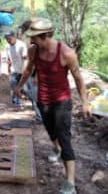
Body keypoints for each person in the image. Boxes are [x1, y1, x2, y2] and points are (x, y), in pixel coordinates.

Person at [13, 18, 91, 194]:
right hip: (43, 99)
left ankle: (70, 183)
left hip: (62, 100)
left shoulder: (67, 54)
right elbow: (27, 70)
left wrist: (85, 102)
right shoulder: (33, 50)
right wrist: (18, 87)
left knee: (64, 137)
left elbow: (78, 79)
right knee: (51, 132)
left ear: (46, 36)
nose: (31, 40)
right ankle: (56, 149)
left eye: (34, 37)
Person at [18, 20, 42, 122]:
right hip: (31, 71)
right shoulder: (29, 41)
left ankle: (39, 117)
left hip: (34, 72)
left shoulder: (31, 42)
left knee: (34, 93)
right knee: (31, 92)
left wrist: (36, 75)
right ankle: (39, 114)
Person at [5, 30, 27, 109]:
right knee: (13, 86)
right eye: (7, 39)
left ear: (14, 37)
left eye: (9, 39)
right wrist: (8, 71)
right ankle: (17, 104)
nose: (8, 41)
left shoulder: (21, 45)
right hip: (14, 70)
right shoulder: (7, 46)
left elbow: (25, 59)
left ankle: (34, 104)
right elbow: (8, 60)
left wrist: (25, 71)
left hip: (23, 70)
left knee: (26, 89)